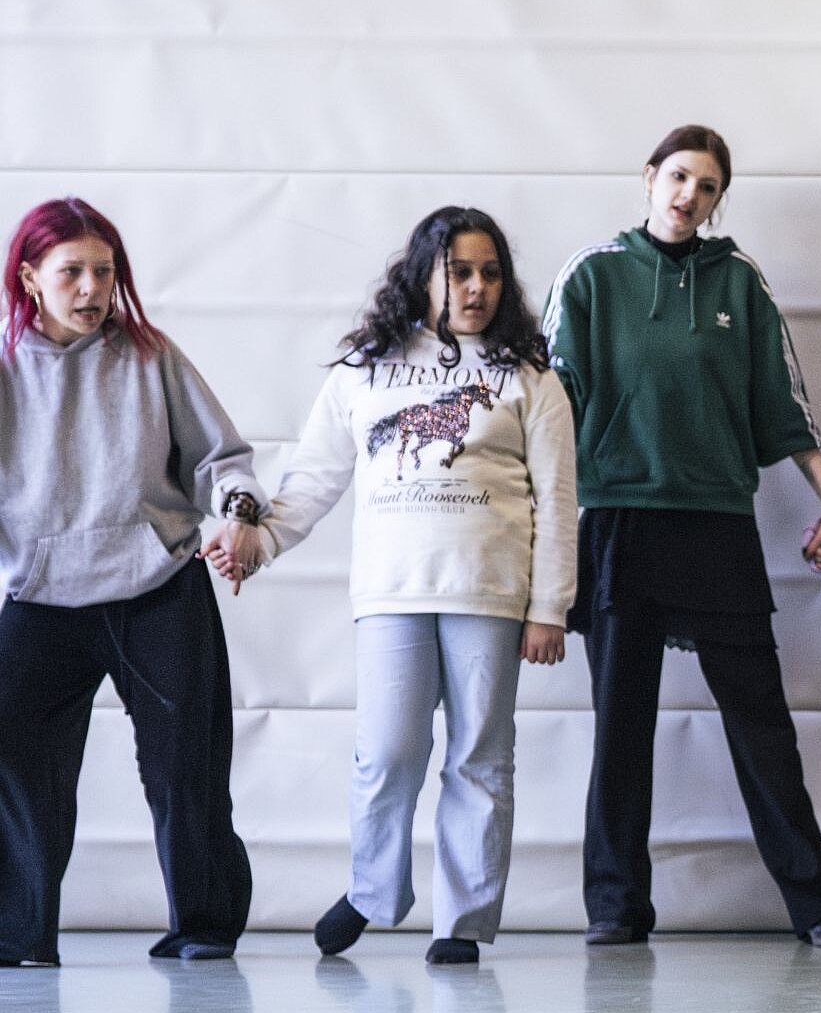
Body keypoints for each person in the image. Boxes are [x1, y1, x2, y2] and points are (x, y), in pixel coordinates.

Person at [547, 124, 821, 948]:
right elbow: (548, 410)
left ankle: (819, 904)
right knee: (621, 725)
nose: (690, 195)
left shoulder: (740, 282)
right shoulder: (591, 275)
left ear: (719, 199)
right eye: (679, 176)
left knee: (762, 725)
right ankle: (615, 904)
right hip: (619, 520)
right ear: (649, 177)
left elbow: (780, 405)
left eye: (708, 185)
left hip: (717, 523)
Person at [249, 207, 578, 965]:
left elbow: (560, 502)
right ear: (424, 274)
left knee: (479, 758)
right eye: (459, 270)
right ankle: (373, 892)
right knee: (388, 751)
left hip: (490, 595)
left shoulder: (530, 379)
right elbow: (312, 478)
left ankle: (462, 920)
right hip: (392, 593)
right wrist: (260, 539)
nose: (476, 287)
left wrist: (549, 607)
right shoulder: (366, 367)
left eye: (490, 272)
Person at [0, 197, 264, 965]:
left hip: (159, 588)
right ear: (30, 277)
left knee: (188, 766)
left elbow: (226, 460)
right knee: (17, 767)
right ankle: (20, 936)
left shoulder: (150, 354)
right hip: (43, 597)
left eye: (105, 271)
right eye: (72, 272)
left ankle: (204, 927)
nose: (92, 289)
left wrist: (239, 515)